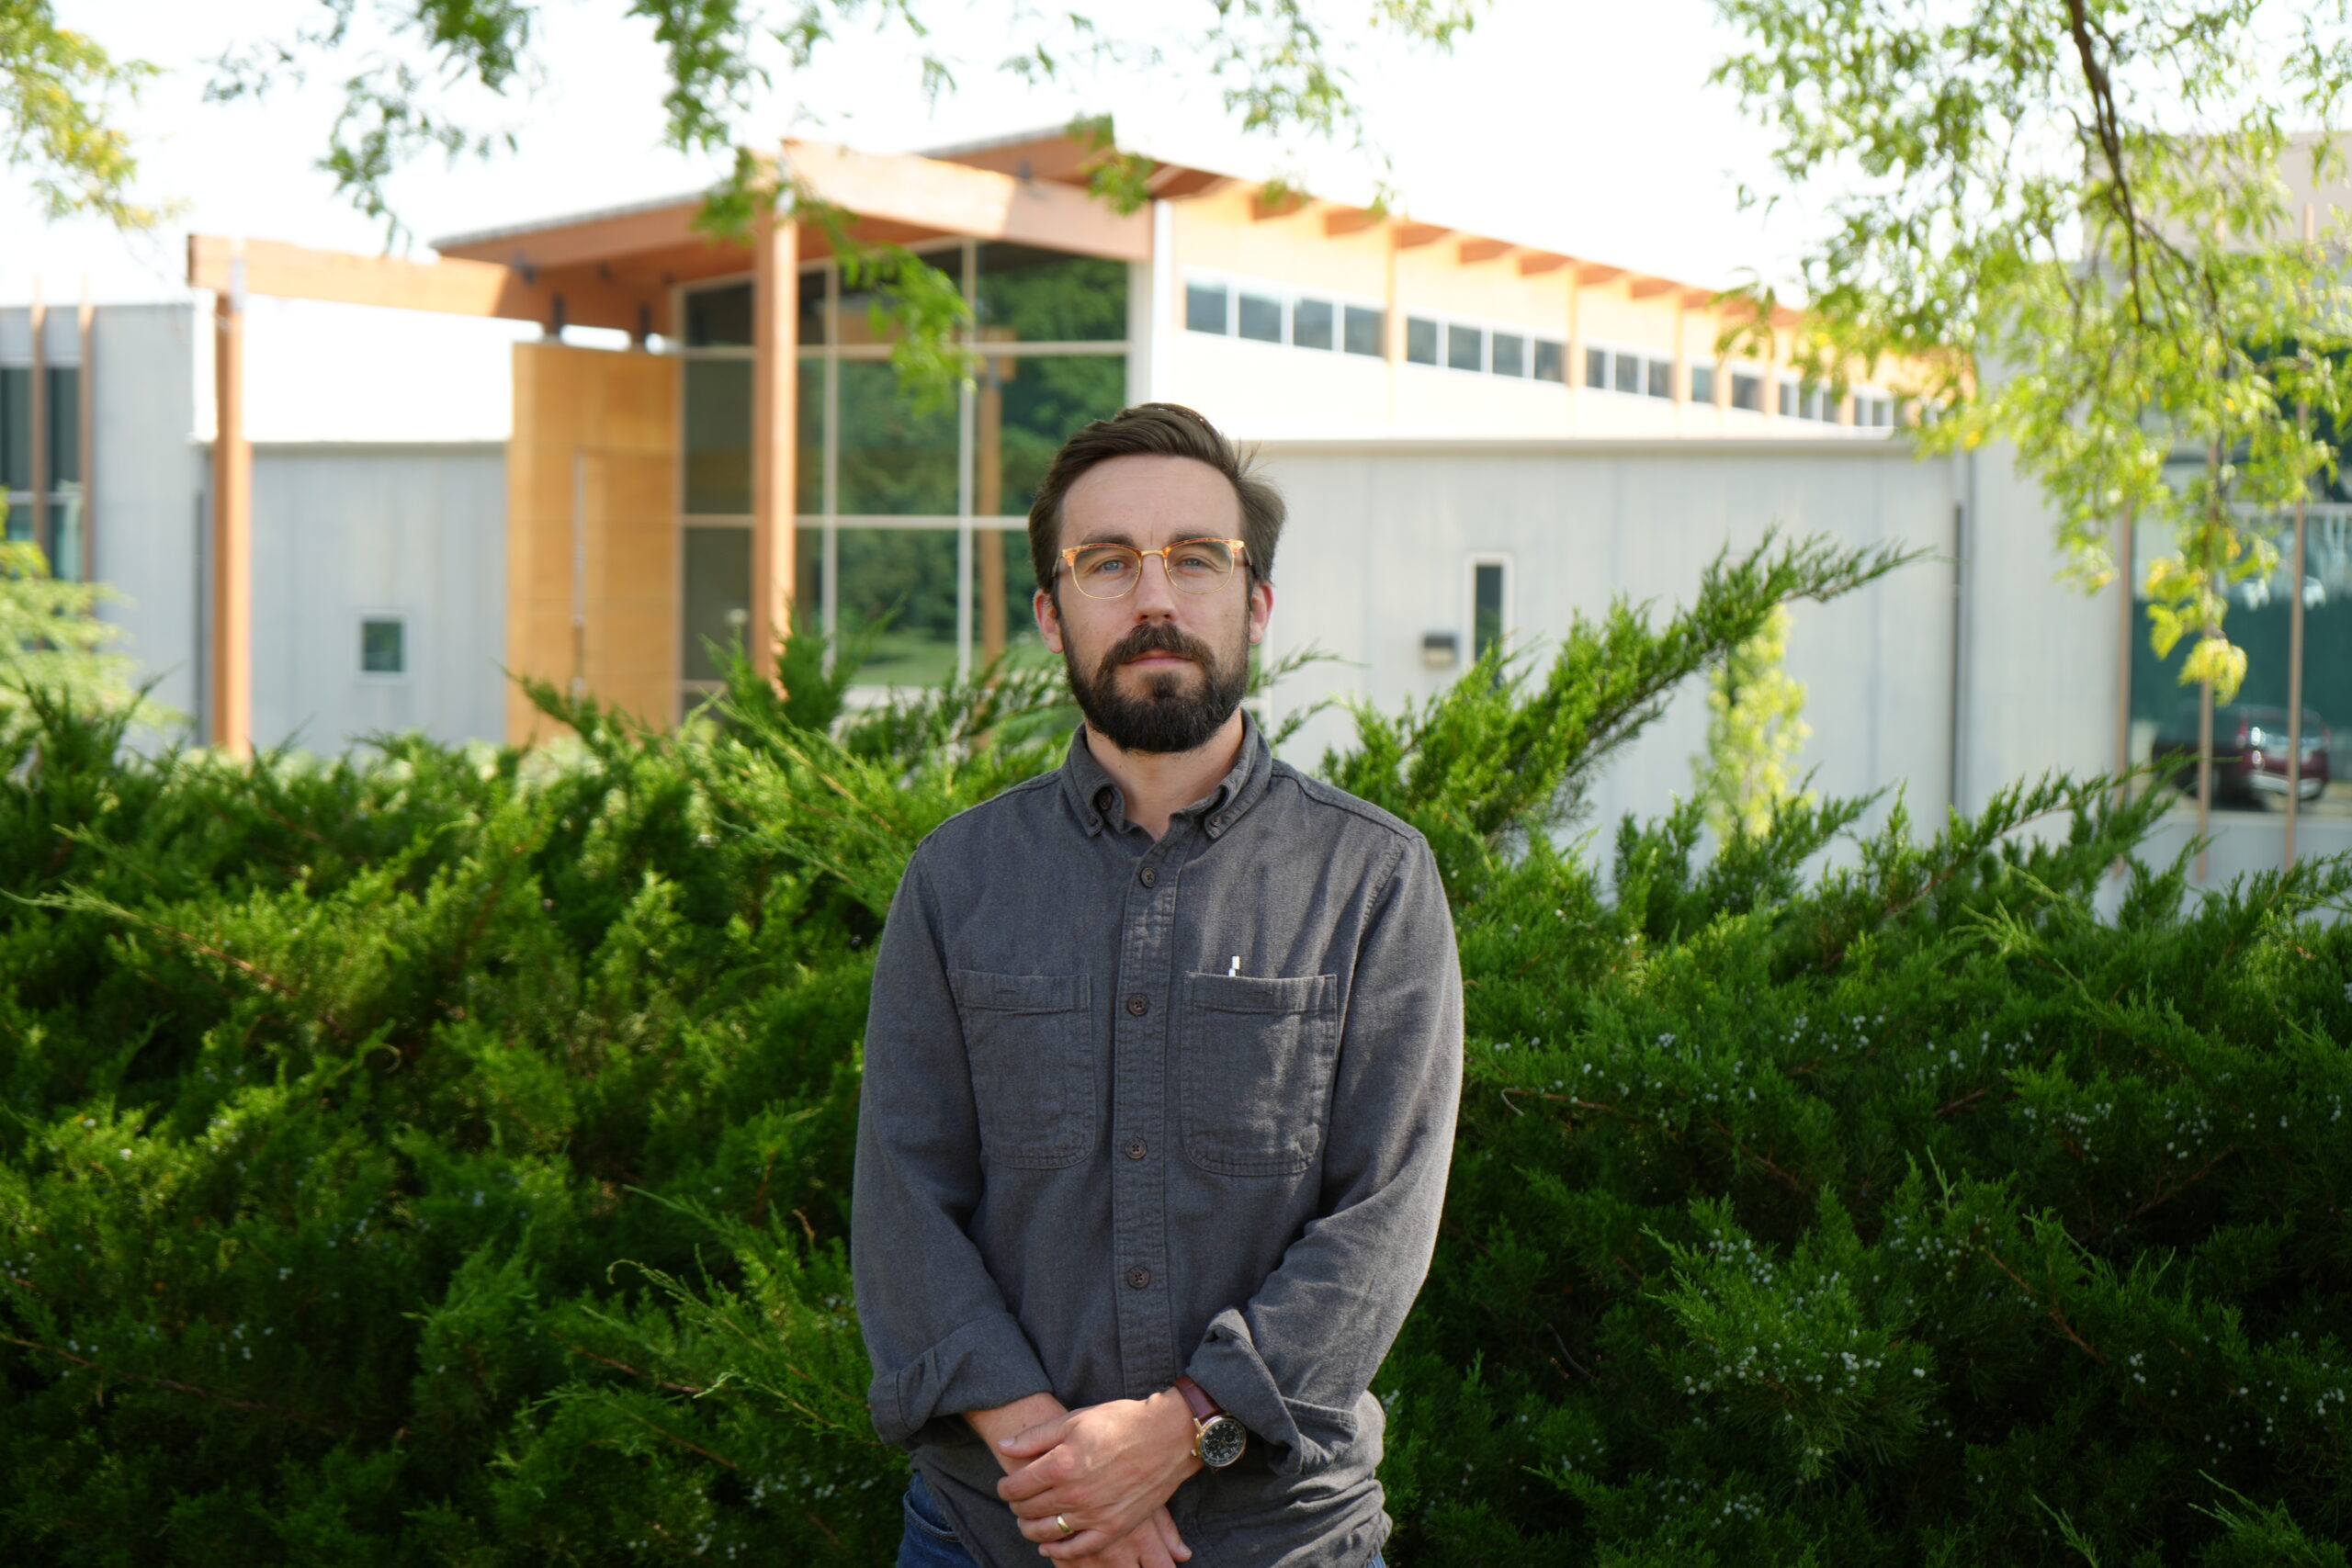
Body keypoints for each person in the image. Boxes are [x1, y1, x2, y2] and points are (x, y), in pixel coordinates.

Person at [853, 402, 1463, 1568]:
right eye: (1106, 564)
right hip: (992, 1533)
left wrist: (1184, 1432)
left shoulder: (1374, 881)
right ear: (1050, 613)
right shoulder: (954, 881)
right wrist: (1068, 1471)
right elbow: (901, 1202)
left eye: (1195, 558)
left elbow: (1383, 1219)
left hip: (1282, 1541)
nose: (1154, 598)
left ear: (1256, 603)